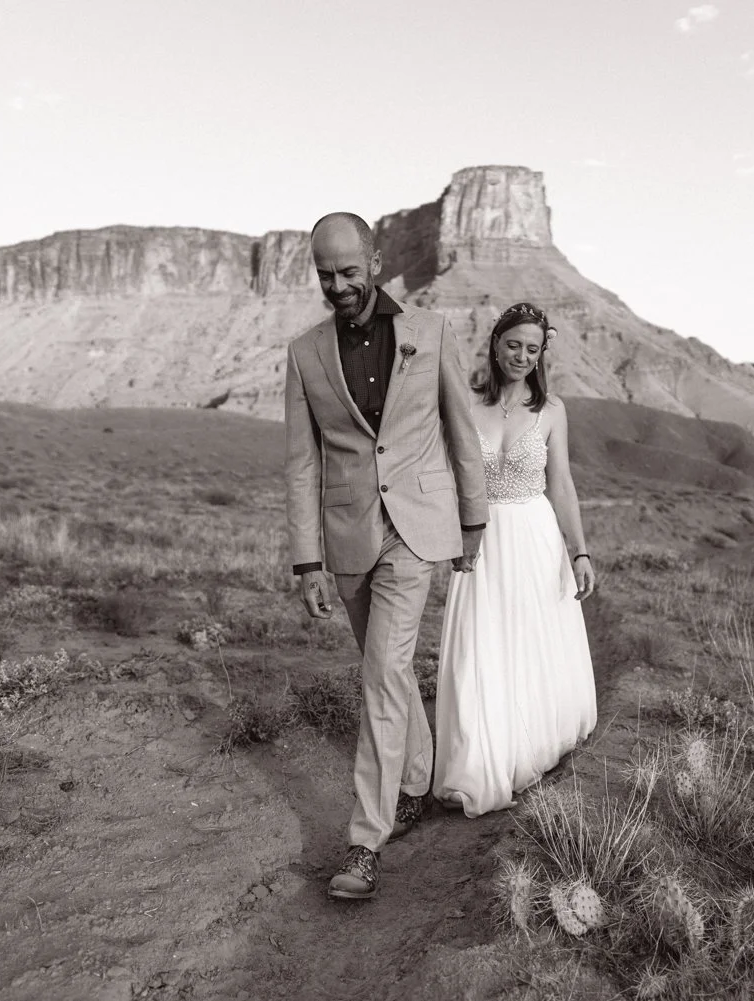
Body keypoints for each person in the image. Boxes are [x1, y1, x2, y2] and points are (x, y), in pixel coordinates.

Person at [285, 212, 488, 900]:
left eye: (348, 271)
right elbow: (301, 463)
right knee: (390, 672)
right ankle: (419, 782)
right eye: (325, 274)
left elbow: (461, 430)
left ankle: (365, 841)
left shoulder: (430, 332)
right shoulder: (304, 352)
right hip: (347, 537)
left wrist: (474, 518)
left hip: (416, 530)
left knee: (381, 673)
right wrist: (307, 561)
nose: (338, 285)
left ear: (373, 263)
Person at [432, 302, 598, 816]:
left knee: (529, 643)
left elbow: (561, 484)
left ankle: (527, 744)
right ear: (495, 343)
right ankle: (479, 759)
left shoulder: (552, 412)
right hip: (479, 540)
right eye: (513, 345)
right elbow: (447, 476)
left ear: (541, 353)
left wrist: (579, 550)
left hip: (534, 537)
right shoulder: (466, 404)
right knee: (479, 646)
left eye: (532, 348)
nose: (522, 356)